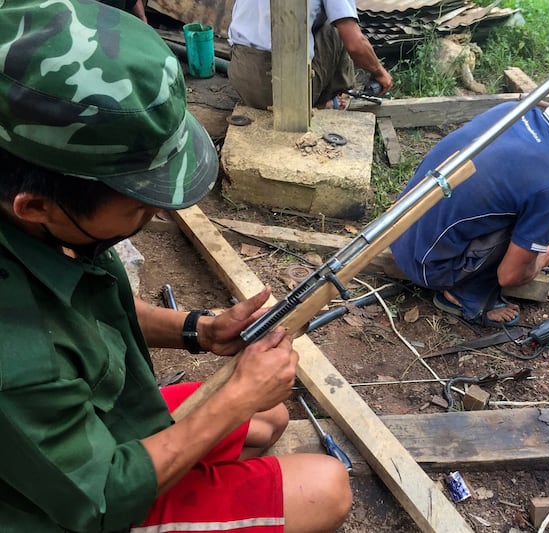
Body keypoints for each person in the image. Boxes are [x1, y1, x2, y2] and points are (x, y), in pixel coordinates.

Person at [0, 2, 351, 532]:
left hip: (80, 424)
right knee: (326, 488)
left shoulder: (43, 220)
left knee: (268, 417)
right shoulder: (14, 355)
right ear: (36, 205)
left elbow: (85, 307)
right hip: (60, 505)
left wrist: (199, 329)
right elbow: (96, 498)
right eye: (140, 204)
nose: (160, 213)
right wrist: (233, 398)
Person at [390, 53, 549, 328]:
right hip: (425, 266)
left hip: (398, 227)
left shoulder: (513, 111)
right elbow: (511, 276)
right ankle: (464, 297)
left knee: (526, 212)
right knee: (526, 247)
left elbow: (503, 174)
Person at [227, 0, 393, 110]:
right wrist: (379, 72)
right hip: (281, 93)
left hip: (242, 78)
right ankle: (333, 100)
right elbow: (355, 45)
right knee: (339, 27)